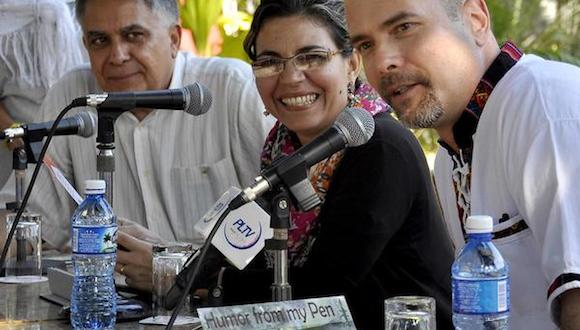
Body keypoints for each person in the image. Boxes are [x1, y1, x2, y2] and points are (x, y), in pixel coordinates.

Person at [186, 1, 455, 329]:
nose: (291, 78)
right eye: (270, 62)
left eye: (311, 56)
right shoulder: (280, 148)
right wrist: (175, 267)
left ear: (352, 63)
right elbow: (247, 255)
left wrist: (215, 283)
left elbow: (327, 286)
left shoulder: (381, 145)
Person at [344, 0, 580, 329]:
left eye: (404, 28)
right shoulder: (450, 154)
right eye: (366, 45)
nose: (383, 62)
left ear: (476, 19)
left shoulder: (544, 106)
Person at [0, 0, 272, 284]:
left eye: (133, 36)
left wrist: (171, 266)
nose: (117, 56)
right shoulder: (73, 97)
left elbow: (283, 234)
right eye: (99, 40)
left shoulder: (232, 89)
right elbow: (28, 222)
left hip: (216, 305)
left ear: (173, 39)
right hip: (107, 308)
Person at [0, 0, 85, 188]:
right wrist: (13, 133)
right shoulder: (6, 27)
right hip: (19, 150)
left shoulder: (75, 18)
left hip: (72, 140)